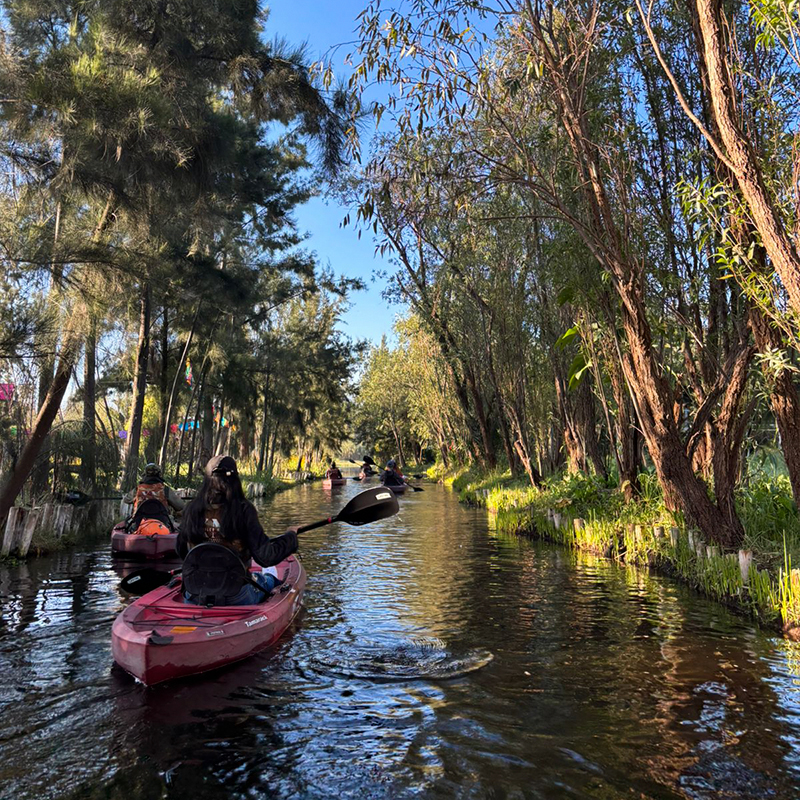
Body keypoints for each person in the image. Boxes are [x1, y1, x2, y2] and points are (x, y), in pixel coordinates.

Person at [177, 455, 299, 605]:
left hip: (195, 594)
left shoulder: (191, 509)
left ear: (207, 480)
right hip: (236, 595)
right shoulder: (243, 510)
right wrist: (291, 537)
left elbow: (182, 551)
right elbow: (265, 557)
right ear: (235, 480)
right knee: (268, 580)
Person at [123, 463, 185, 532]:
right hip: (163, 525)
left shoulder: (137, 489)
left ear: (145, 474)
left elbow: (126, 499)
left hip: (139, 525)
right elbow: (181, 506)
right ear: (159, 474)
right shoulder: (165, 489)